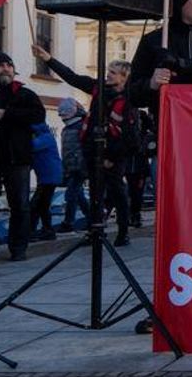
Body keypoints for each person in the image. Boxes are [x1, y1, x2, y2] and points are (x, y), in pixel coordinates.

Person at [31, 45, 137, 247]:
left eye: (113, 73)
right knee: (95, 194)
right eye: (108, 72)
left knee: (117, 192)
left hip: (113, 155)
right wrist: (48, 59)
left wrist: (111, 158)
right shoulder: (98, 89)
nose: (108, 76)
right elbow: (72, 77)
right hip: (93, 150)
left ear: (124, 77)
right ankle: (95, 230)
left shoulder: (127, 102)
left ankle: (123, 232)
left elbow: (129, 138)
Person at [0, 52, 46, 265]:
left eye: (9, 65)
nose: (5, 69)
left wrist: (5, 114)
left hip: (17, 159)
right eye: (0, 66)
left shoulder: (25, 93)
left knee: (20, 205)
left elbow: (38, 116)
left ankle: (18, 248)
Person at [55, 98, 89, 233]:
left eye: (65, 114)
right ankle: (92, 218)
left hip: (79, 167)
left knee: (71, 194)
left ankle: (68, 222)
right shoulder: (68, 128)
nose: (63, 117)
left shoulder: (81, 126)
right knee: (78, 195)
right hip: (71, 167)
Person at [28, 122, 62, 241]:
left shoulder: (46, 138)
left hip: (49, 177)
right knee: (43, 205)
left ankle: (32, 231)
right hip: (47, 177)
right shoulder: (46, 136)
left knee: (36, 204)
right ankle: (47, 230)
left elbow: (32, 146)